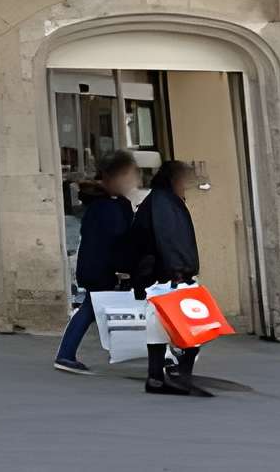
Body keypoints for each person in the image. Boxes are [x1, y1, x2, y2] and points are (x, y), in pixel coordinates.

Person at [54, 152, 140, 373]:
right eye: (129, 176)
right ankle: (65, 354)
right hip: (102, 268)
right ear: (114, 178)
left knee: (91, 309)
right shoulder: (108, 207)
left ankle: (66, 353)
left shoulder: (106, 204)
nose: (133, 182)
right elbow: (118, 240)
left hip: (97, 266)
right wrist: (124, 267)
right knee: (91, 308)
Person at [130, 160, 208, 397]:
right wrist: (182, 271)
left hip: (157, 277)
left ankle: (156, 376)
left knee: (158, 328)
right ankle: (179, 375)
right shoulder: (164, 204)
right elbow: (170, 240)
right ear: (175, 180)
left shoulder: (157, 201)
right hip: (169, 277)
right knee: (195, 327)